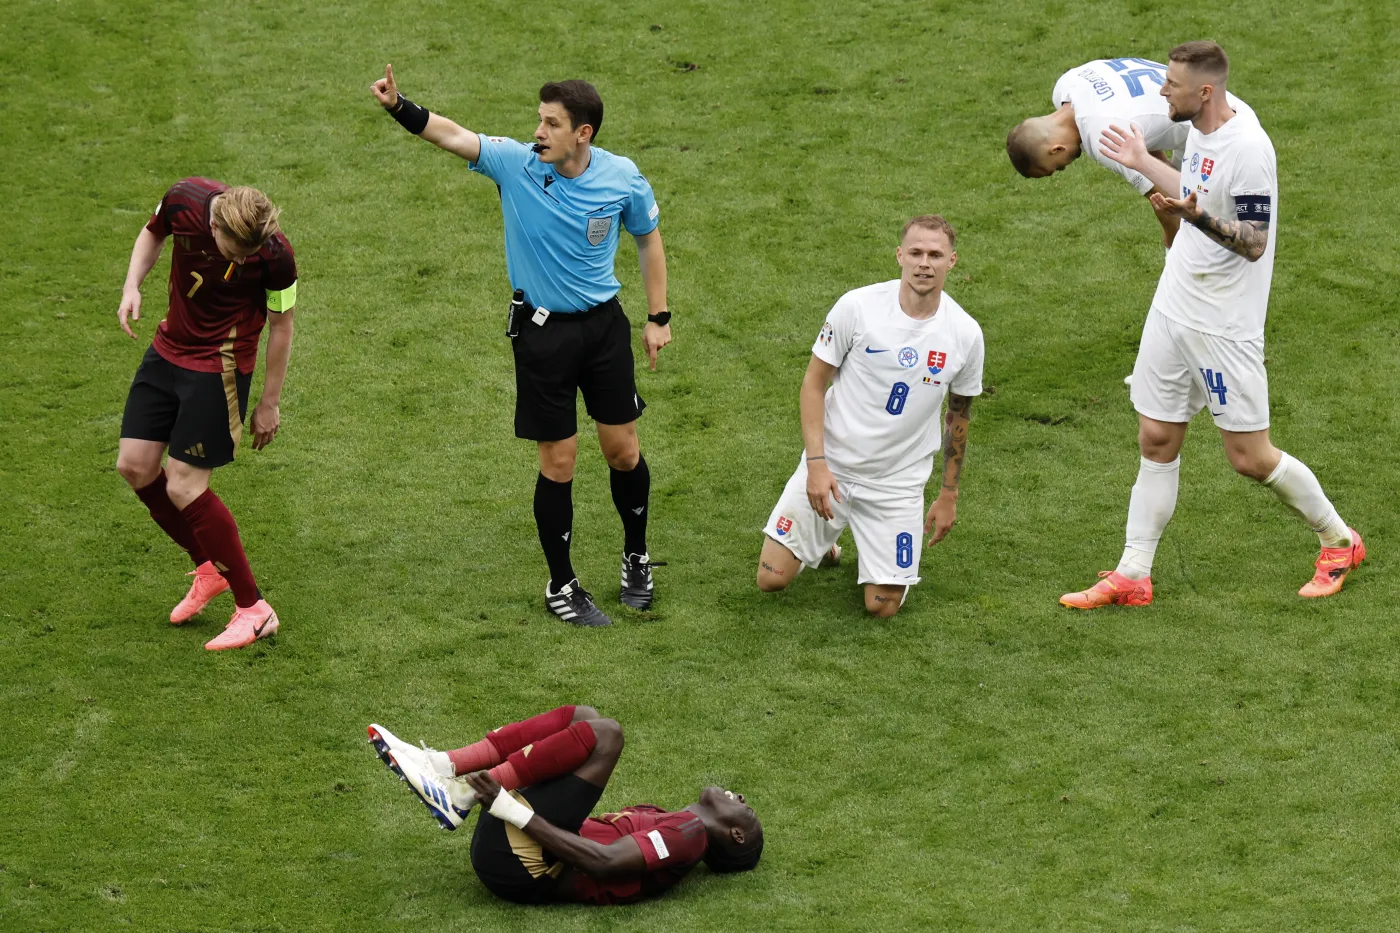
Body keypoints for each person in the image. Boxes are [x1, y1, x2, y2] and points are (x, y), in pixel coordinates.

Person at [1061, 41, 1364, 610]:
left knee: (1250, 457)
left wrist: (1194, 216)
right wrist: (1143, 163)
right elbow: (1192, 186)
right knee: (1155, 437)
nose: (1160, 92)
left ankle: (1338, 540)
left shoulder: (1249, 147)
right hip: (1174, 305)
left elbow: (1253, 243)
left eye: (1170, 85)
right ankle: (1133, 572)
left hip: (1223, 323)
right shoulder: (1196, 126)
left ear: (1205, 91)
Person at [370, 65, 672, 627]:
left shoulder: (623, 178)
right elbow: (453, 134)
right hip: (543, 334)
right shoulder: (517, 164)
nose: (539, 131)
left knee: (623, 450)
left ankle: (636, 556)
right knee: (559, 460)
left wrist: (658, 316)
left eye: (552, 124)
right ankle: (561, 584)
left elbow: (648, 241)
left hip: (604, 328)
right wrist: (398, 105)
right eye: (539, 120)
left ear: (583, 133)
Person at [755, 216, 984, 617]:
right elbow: (813, 384)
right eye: (915, 253)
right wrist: (816, 466)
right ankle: (826, 540)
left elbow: (958, 417)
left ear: (952, 261)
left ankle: (872, 548)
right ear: (899, 255)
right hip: (834, 468)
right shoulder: (857, 307)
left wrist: (949, 494)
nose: (924, 263)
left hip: (896, 485)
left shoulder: (965, 334)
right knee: (770, 579)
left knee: (882, 607)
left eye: (935, 255)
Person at [114, 179, 298, 650]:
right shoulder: (184, 201)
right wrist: (133, 285)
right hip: (167, 348)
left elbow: (282, 326)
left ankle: (254, 609)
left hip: (219, 363)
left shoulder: (275, 254)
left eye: (247, 254)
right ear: (212, 224)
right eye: (233, 251)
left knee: (184, 484)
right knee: (134, 466)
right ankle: (206, 568)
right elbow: (152, 232)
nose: (240, 262)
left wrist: (269, 403)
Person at [366, 706, 762, 905]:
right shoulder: (672, 821)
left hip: (522, 867)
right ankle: (443, 764)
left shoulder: (690, 837)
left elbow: (603, 862)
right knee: (584, 718)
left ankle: (461, 797)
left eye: (748, 810)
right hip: (519, 848)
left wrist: (507, 807)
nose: (742, 798)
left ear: (736, 834)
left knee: (607, 735)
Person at [1008, 57, 1251, 249]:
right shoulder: (1067, 84)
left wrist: (1170, 240)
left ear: (1056, 149)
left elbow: (1164, 200)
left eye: (1057, 167)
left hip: (1224, 134)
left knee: (1213, 233)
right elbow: (1138, 122)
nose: (1064, 168)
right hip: (1218, 109)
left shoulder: (1104, 137)